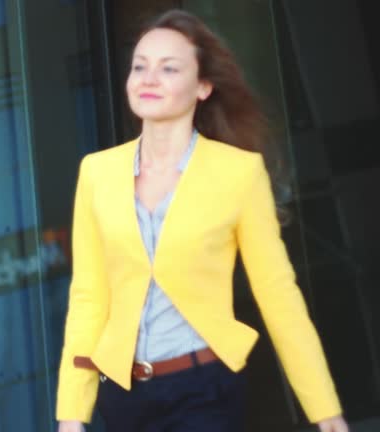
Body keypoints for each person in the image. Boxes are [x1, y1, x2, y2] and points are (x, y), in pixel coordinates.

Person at [56, 9, 348, 432]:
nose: (148, 78)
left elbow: (278, 296)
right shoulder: (96, 172)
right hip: (123, 395)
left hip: (204, 388)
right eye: (140, 66)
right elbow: (88, 297)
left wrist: (326, 412)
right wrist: (71, 414)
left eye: (169, 68)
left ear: (203, 87)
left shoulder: (238, 173)